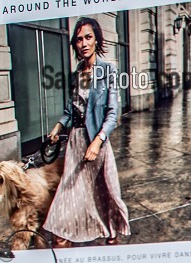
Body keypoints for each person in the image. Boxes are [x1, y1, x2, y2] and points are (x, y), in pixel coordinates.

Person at [42, 17, 129, 247]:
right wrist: (59, 126)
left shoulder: (109, 71)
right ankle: (66, 237)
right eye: (79, 39)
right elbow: (70, 109)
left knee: (104, 193)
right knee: (68, 194)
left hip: (97, 142)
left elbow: (112, 113)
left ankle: (111, 239)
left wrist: (98, 142)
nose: (83, 43)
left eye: (88, 37)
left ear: (97, 39)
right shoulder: (76, 75)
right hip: (76, 144)